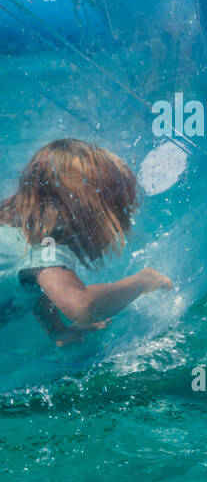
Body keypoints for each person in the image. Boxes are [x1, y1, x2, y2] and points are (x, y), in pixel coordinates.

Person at [0, 139, 172, 347]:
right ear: (89, 214)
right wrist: (142, 282)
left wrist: (57, 330)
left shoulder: (19, 232)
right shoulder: (45, 248)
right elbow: (81, 306)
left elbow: (35, 283)